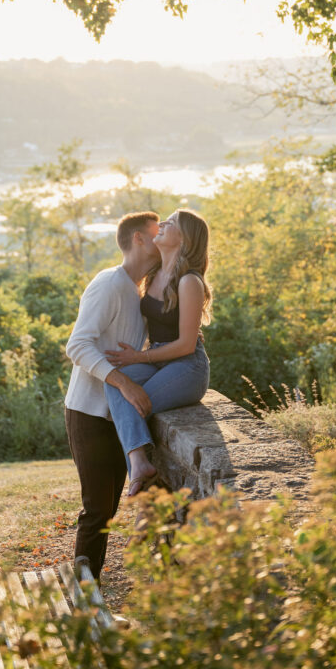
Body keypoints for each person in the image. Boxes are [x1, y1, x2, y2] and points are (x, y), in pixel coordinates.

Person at [64, 210, 160, 581]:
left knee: (107, 510)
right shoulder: (109, 283)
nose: (164, 238)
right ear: (138, 239)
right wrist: (123, 382)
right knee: (97, 511)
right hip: (89, 414)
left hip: (117, 417)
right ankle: (84, 601)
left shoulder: (138, 294)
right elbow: (77, 345)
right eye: (157, 233)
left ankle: (89, 594)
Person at [104, 209, 212, 496]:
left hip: (187, 366)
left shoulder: (189, 281)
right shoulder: (153, 276)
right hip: (158, 358)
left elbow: (187, 345)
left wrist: (138, 357)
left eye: (171, 222)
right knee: (116, 381)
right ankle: (140, 463)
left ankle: (144, 487)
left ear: (185, 238)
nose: (162, 224)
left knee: (136, 404)